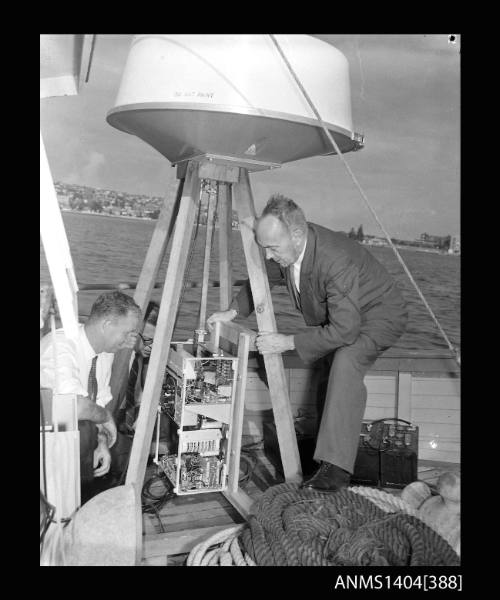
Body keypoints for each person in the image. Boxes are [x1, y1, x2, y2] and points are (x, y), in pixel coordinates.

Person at [207, 194, 408, 492]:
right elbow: (262, 276)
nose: (271, 256)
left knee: (346, 361)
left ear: (297, 235)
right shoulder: (288, 246)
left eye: (274, 248)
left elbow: (345, 332)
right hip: (348, 316)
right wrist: (233, 311)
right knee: (328, 374)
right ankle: (325, 458)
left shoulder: (336, 260)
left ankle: (336, 471)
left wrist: (286, 342)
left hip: (380, 315)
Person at [40, 291, 141, 501]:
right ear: (107, 325)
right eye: (128, 332)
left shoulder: (103, 353)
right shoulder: (62, 347)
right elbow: (73, 406)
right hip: (49, 440)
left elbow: (97, 403)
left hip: (71, 435)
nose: (130, 340)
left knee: (131, 453)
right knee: (87, 436)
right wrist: (105, 417)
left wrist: (102, 441)